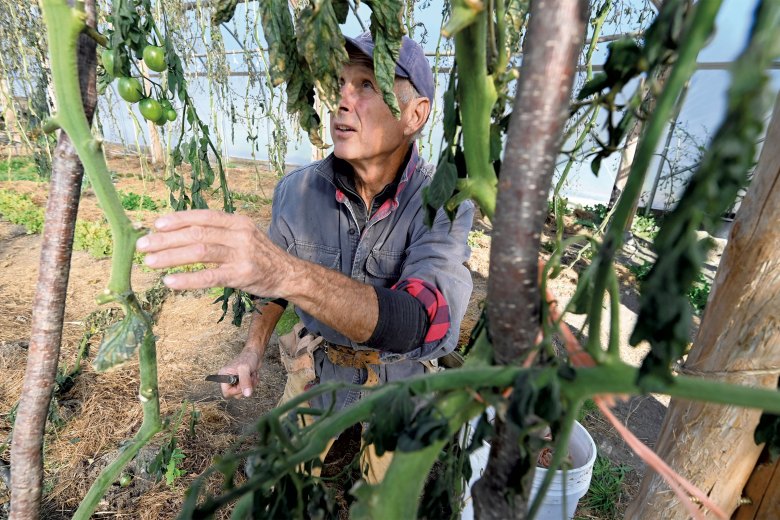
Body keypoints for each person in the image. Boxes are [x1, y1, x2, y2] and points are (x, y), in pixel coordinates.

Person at [135, 32, 474, 480]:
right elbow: (273, 290)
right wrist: (251, 352)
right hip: (321, 364)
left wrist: (289, 274)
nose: (342, 100)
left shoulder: (442, 200)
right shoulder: (297, 192)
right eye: (339, 83)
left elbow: (423, 320)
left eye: (368, 85)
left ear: (415, 114)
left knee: (386, 498)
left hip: (401, 374)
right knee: (278, 478)